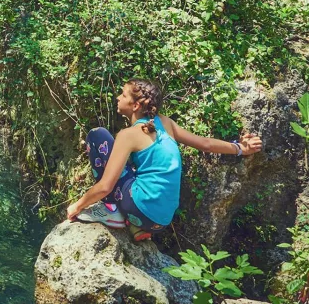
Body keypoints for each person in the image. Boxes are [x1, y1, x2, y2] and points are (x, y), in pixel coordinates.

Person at [66, 78, 263, 241]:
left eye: (123, 95)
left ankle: (112, 211)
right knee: (139, 172)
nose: (118, 97)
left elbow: (105, 186)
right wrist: (240, 148)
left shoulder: (128, 135)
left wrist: (78, 205)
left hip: (140, 208)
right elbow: (205, 144)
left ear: (135, 105)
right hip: (160, 222)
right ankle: (137, 227)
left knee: (97, 135)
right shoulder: (165, 123)